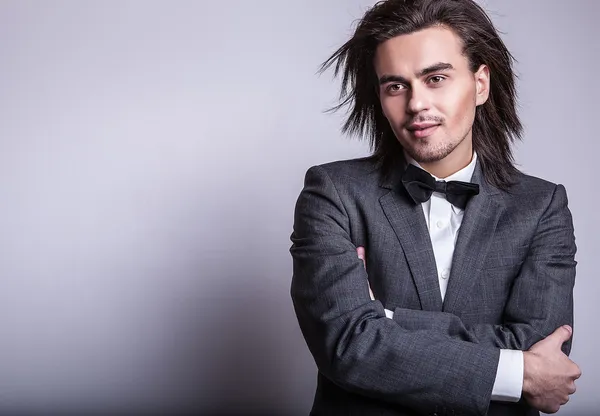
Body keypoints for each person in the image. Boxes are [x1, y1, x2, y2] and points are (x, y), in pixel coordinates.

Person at [289, 1, 581, 415]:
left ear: (481, 84)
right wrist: (517, 371)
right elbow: (347, 345)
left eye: (436, 78)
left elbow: (544, 348)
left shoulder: (543, 205)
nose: (416, 104)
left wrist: (385, 319)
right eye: (396, 86)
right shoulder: (332, 191)